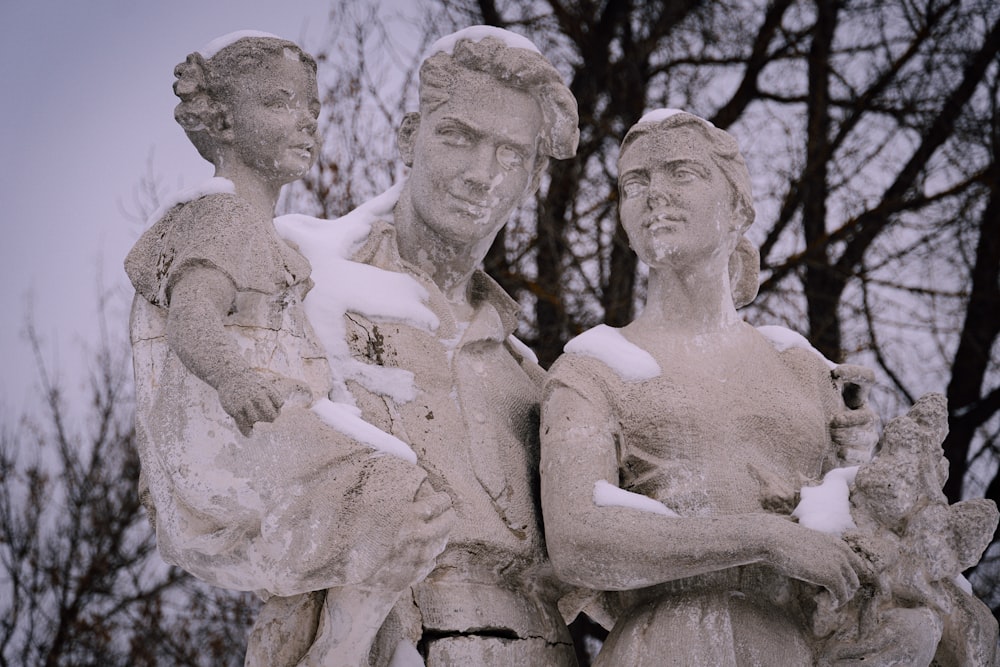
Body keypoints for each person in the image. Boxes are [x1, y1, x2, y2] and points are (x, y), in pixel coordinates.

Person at [124, 32, 452, 666]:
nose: (304, 119)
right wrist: (234, 378)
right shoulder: (223, 217)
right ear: (221, 120)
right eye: (278, 102)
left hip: (261, 434)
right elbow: (194, 315)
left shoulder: (265, 239)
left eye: (312, 107)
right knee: (408, 504)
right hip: (236, 435)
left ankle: (315, 646)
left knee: (388, 518)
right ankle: (335, 652)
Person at [279, 26, 580, 666]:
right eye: (459, 136)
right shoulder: (300, 283)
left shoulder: (527, 377)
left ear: (531, 177)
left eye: (510, 154)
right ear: (408, 136)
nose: (481, 175)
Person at [539, 110, 881, 665]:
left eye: (681, 172)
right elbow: (579, 540)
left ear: (738, 209)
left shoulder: (801, 367)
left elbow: (857, 537)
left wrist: (860, 468)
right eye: (635, 182)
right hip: (665, 644)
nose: (654, 194)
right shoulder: (592, 367)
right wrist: (764, 538)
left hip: (795, 646)